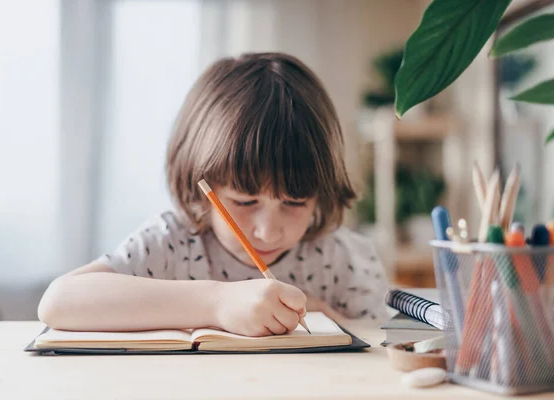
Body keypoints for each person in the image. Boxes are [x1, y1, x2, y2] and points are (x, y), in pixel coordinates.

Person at [38, 52, 389, 337]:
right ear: (202, 185)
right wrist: (216, 301)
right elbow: (58, 302)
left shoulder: (342, 259)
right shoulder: (172, 242)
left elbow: (379, 348)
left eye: (295, 202)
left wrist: (325, 314)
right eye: (245, 201)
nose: (268, 231)